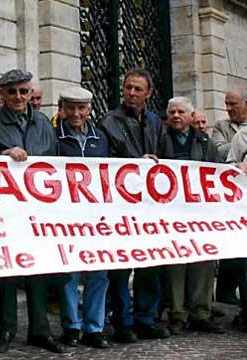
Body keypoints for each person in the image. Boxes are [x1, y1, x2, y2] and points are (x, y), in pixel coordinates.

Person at [0, 69, 63, 354]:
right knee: (5, 272)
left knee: (39, 270)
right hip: (3, 211)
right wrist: (0, 156)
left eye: (24, 91)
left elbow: (57, 163)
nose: (18, 97)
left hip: (37, 210)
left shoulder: (43, 123)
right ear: (3, 93)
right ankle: (4, 329)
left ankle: (40, 330)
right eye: (12, 91)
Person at [98, 67, 170, 343]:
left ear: (148, 94)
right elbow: (106, 162)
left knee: (150, 264)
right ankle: (123, 320)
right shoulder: (109, 121)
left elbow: (168, 160)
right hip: (121, 207)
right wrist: (135, 163)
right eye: (128, 87)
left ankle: (145, 318)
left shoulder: (155, 123)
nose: (131, 93)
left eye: (138, 89)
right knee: (120, 267)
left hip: (149, 207)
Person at [158, 96, 224, 335]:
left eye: (181, 112)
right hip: (171, 213)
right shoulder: (159, 140)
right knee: (176, 263)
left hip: (200, 214)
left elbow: (217, 173)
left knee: (203, 262)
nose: (176, 116)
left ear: (191, 116)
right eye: (172, 112)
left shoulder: (205, 143)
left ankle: (201, 313)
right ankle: (177, 313)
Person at [55, 87, 111, 349]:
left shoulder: (100, 138)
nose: (76, 114)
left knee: (99, 272)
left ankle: (94, 326)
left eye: (81, 108)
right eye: (71, 108)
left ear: (89, 110)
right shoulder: (55, 136)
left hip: (95, 216)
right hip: (66, 216)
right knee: (69, 273)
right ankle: (72, 325)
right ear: (62, 109)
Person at [213, 88, 247, 305]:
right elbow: (225, 161)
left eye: (233, 104)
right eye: (226, 104)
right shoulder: (239, 135)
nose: (228, 109)